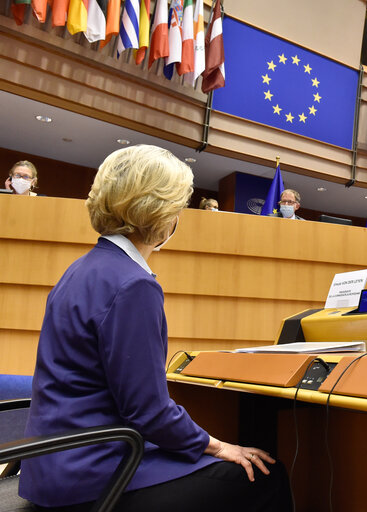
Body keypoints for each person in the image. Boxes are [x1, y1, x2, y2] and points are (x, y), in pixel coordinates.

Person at [20, 145, 291, 512]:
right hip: (94, 475)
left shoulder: (80, 269)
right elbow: (148, 412)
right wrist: (218, 445)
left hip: (53, 468)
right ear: (162, 214)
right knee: (265, 476)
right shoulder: (133, 285)